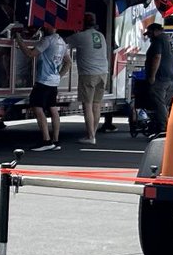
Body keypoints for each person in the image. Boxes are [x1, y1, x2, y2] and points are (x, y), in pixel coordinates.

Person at [15, 22, 68, 151]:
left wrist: (19, 39)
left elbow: (30, 54)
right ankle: (55, 140)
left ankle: (46, 140)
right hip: (54, 81)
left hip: (44, 80)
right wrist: (59, 76)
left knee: (37, 107)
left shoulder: (47, 40)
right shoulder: (62, 42)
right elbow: (68, 62)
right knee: (53, 108)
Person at [67, 12, 109, 144]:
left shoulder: (81, 36)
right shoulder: (100, 35)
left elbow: (64, 43)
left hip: (88, 74)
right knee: (96, 105)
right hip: (103, 73)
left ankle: (91, 137)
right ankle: (93, 134)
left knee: (87, 105)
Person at [144, 22, 173, 135]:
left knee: (159, 103)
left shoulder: (158, 40)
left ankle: (164, 128)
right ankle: (166, 126)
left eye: (149, 33)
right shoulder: (170, 40)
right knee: (165, 104)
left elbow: (157, 57)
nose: (148, 36)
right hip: (171, 77)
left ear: (155, 31)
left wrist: (152, 76)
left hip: (161, 78)